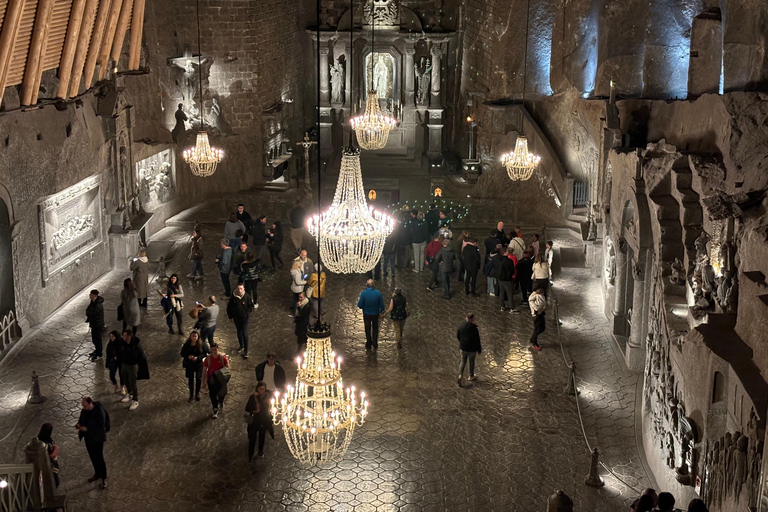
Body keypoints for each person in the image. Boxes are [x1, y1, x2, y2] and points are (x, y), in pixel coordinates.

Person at [76, 397, 109, 489]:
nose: (84, 408)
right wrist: (79, 424)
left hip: (97, 438)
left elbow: (100, 427)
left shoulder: (99, 412)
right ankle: (97, 473)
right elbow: (81, 419)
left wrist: (86, 429)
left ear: (90, 403)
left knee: (99, 457)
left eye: (85, 406)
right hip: (89, 438)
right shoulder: (85, 410)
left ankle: (103, 478)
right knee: (92, 456)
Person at [119, 329, 149, 410]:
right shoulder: (122, 343)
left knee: (133, 382)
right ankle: (130, 393)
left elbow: (141, 356)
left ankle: (135, 400)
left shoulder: (136, 345)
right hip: (124, 364)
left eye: (125, 335)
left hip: (132, 365)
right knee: (125, 379)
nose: (123, 337)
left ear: (129, 336)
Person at [244, 382, 274, 461]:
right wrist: (254, 411)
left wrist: (258, 398)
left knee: (262, 437)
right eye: (260, 388)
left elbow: (265, 407)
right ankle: (250, 455)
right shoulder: (252, 397)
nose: (261, 390)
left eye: (263, 389)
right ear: (257, 388)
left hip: (263, 420)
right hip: (254, 420)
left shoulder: (266, 397)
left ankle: (260, 451)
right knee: (252, 438)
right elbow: (247, 408)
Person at [202, 343, 230, 419]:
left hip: (220, 380)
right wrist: (203, 381)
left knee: (222, 393)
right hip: (211, 380)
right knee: (212, 395)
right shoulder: (208, 358)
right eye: (213, 350)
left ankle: (220, 401)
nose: (214, 351)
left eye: (215, 349)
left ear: (218, 349)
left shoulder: (222, 358)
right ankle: (215, 408)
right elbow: (204, 370)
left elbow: (227, 368)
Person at [357, 279, 385, 350]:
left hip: (366, 314)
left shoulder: (363, 293)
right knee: (375, 328)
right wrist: (382, 311)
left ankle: (369, 342)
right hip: (375, 313)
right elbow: (381, 304)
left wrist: (363, 307)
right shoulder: (378, 293)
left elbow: (360, 304)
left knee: (367, 328)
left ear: (366, 285)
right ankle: (375, 342)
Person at [227, 284, 253, 358]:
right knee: (239, 332)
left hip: (244, 319)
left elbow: (250, 306)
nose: (239, 290)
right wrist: (231, 317)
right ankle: (241, 346)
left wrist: (247, 313)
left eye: (241, 289)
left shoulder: (247, 296)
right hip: (237, 319)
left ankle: (246, 351)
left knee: (244, 333)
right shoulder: (233, 298)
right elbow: (229, 307)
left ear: (243, 289)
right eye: (238, 289)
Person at [180, 329, 207, 402]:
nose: (194, 338)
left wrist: (197, 357)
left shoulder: (201, 344)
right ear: (190, 337)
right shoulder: (187, 344)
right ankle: (191, 394)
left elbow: (205, 353)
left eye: (195, 336)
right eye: (193, 336)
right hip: (189, 365)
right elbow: (182, 353)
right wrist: (188, 357)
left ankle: (197, 394)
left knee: (198, 379)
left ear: (198, 337)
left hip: (198, 365)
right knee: (190, 380)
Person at [456, 313, 481, 387]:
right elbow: (477, 340)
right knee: (471, 361)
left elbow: (458, 335)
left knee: (463, 361)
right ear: (472, 319)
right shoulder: (474, 328)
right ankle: (471, 375)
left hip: (463, 348)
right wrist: (479, 350)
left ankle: (460, 375)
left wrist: (462, 342)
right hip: (472, 349)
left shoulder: (461, 326)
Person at [37, 423, 60, 487]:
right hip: (50, 464)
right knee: (55, 480)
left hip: (48, 463)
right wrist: (55, 450)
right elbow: (49, 456)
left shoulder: (39, 439)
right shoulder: (45, 444)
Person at [497, 248, 519, 313]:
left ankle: (502, 306)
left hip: (500, 279)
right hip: (507, 279)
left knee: (502, 293)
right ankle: (511, 308)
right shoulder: (509, 261)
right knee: (510, 294)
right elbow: (512, 270)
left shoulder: (498, 260)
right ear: (505, 253)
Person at [85, 289, 104, 361]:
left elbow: (91, 313)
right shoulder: (93, 302)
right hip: (94, 324)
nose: (90, 296)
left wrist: (88, 313)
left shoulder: (98, 305)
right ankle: (97, 350)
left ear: (94, 296)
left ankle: (99, 354)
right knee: (94, 339)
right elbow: (88, 310)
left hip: (97, 325)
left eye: (91, 295)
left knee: (97, 339)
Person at [105, 330, 123, 395]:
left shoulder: (121, 343)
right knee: (112, 375)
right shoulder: (110, 344)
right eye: (110, 336)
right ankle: (116, 385)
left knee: (122, 375)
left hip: (121, 361)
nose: (111, 338)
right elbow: (108, 354)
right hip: (113, 361)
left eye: (113, 336)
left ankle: (122, 387)